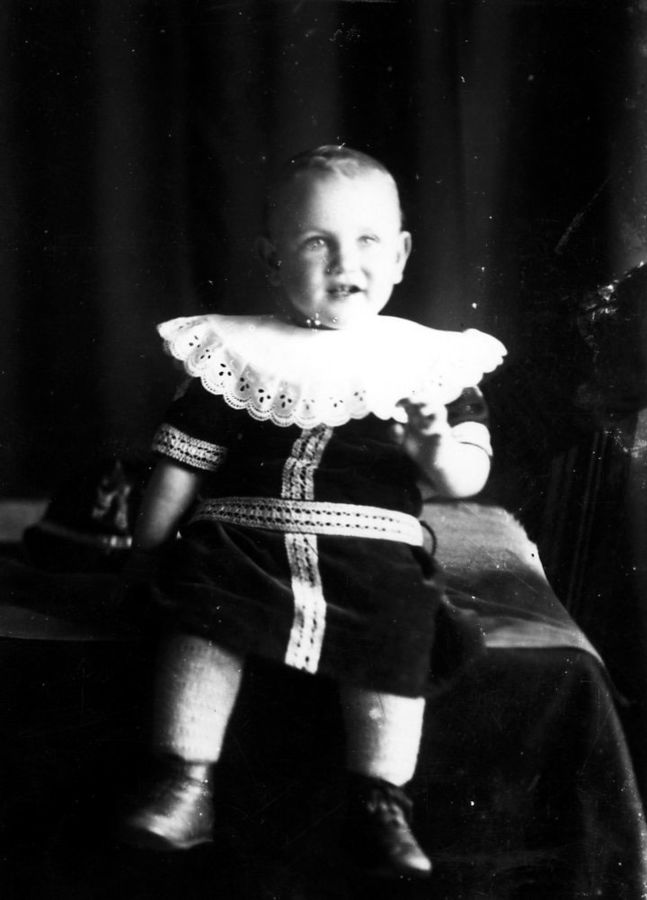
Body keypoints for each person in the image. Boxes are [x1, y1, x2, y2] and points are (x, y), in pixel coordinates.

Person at [120, 145, 505, 878]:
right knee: (200, 601)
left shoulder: (432, 364)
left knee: (401, 618)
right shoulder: (235, 353)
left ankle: (381, 799)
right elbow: (180, 465)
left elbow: (467, 477)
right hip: (240, 535)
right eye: (316, 242)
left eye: (367, 241)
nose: (344, 262)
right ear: (272, 258)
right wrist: (147, 551)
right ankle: (184, 779)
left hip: (373, 548)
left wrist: (433, 448)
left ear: (400, 256)